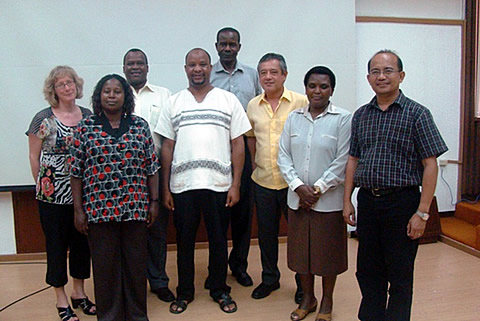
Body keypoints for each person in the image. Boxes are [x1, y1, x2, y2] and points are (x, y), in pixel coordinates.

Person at [343, 50, 448, 321]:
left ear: (401, 76)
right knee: (367, 270)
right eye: (376, 72)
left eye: (388, 71)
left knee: (400, 274)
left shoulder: (417, 114)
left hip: (402, 203)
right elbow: (353, 160)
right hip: (368, 200)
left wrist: (422, 212)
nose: (382, 76)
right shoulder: (362, 115)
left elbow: (430, 164)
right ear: (368, 78)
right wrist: (347, 201)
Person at [155, 48, 251, 314]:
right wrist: (165, 188)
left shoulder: (227, 100)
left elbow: (238, 144)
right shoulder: (174, 102)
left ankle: (220, 289)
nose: (197, 69)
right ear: (185, 69)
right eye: (192, 65)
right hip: (182, 185)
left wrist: (236, 184)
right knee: (184, 241)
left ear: (211, 67)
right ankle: (184, 292)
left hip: (219, 185)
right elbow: (166, 147)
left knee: (219, 240)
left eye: (202, 64)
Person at [70, 74, 160, 321]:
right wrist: (78, 210)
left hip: (135, 207)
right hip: (98, 210)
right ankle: (109, 315)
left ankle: (137, 315)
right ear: (99, 96)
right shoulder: (85, 128)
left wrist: (154, 202)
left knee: (135, 265)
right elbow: (76, 173)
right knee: (105, 267)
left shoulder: (140, 125)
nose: (111, 95)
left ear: (125, 96)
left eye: (117, 91)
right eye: (106, 91)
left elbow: (151, 167)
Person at [278, 66, 351, 321]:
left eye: (323, 86)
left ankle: (327, 301)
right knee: (302, 254)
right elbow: (283, 156)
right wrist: (299, 186)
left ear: (332, 90)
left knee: (327, 254)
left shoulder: (343, 118)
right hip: (298, 200)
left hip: (328, 201)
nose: (317, 91)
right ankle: (308, 298)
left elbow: (343, 160)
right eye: (312, 86)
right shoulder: (294, 118)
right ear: (305, 88)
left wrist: (317, 189)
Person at [26, 66, 95, 321]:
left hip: (83, 194)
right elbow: (34, 155)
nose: (67, 87)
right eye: (61, 85)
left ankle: (79, 294)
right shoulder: (43, 118)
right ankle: (61, 299)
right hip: (52, 197)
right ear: (53, 91)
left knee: (81, 246)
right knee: (56, 247)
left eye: (70, 83)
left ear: (77, 86)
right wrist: (41, 185)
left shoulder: (88, 116)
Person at [246, 53, 308, 302]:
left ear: (284, 74)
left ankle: (303, 283)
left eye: (273, 72)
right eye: (263, 72)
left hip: (293, 184)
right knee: (266, 235)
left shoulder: (300, 102)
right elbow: (251, 139)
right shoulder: (253, 105)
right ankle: (269, 279)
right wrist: (254, 168)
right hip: (262, 181)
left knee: (299, 236)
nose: (268, 77)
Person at [209, 26, 262, 287]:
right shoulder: (207, 74)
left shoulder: (252, 75)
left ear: (239, 47)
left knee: (243, 213)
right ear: (216, 46)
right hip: (215, 152)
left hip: (245, 149)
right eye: (223, 44)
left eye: (232, 44)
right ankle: (215, 267)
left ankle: (239, 265)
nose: (227, 48)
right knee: (218, 214)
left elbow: (261, 111)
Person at [123, 48, 174, 303]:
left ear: (147, 67)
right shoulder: (115, 93)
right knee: (129, 232)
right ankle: (131, 284)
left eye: (140, 63)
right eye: (130, 63)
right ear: (124, 69)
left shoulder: (164, 95)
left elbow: (170, 135)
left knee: (156, 228)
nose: (135, 67)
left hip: (157, 170)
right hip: (122, 176)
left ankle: (158, 281)